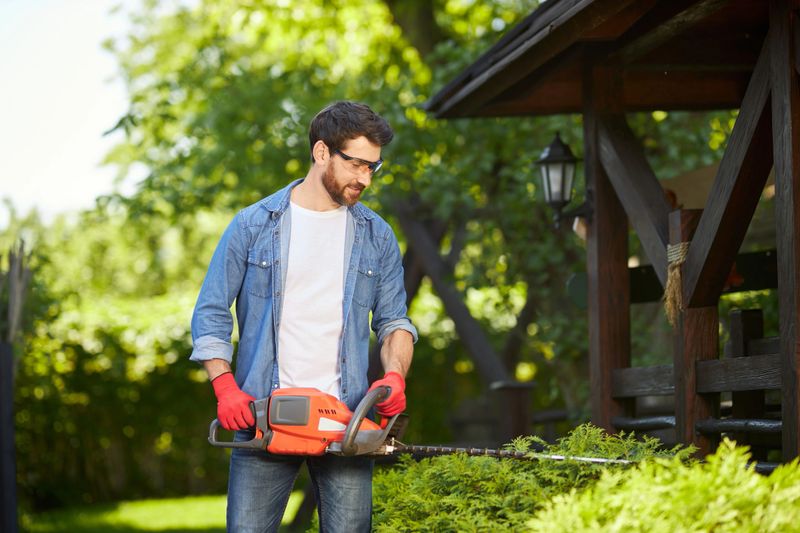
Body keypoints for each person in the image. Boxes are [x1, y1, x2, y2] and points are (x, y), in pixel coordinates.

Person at [189, 100, 417, 533]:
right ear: (321, 153)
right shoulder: (253, 226)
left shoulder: (377, 236)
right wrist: (225, 387)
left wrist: (395, 375)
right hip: (264, 419)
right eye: (357, 165)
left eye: (374, 168)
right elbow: (211, 313)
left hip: (345, 423)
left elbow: (394, 323)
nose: (365, 178)